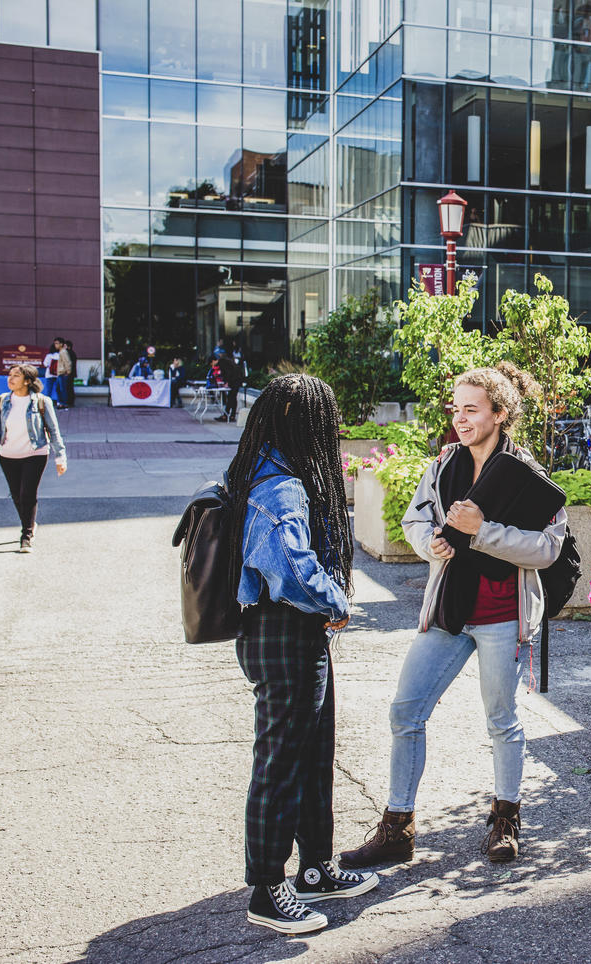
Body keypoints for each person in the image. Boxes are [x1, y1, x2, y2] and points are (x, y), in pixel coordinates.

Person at [339, 364, 567, 870]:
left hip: (502, 615)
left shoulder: (526, 473)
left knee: (501, 720)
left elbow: (548, 549)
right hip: (448, 612)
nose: (461, 420)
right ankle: (398, 828)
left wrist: (483, 531)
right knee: (405, 712)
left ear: (499, 414)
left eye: (472, 410)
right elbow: (415, 518)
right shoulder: (444, 464)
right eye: (456, 409)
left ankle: (505, 820)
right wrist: (432, 544)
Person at [225, 373, 378, 934]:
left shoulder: (263, 467)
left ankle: (316, 867)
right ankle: (267, 889)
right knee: (282, 763)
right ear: (303, 421)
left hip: (294, 634)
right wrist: (334, 599)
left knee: (313, 756)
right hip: (283, 631)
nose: (331, 433)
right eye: (325, 421)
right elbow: (291, 569)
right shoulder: (280, 485)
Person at [0, 364, 67, 552]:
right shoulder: (2, 401)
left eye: (16, 376)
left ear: (27, 381)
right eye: (9, 375)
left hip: (35, 454)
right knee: (17, 495)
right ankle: (31, 523)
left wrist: (60, 457)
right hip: (8, 455)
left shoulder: (41, 402)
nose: (10, 379)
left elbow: (53, 431)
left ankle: (26, 535)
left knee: (27, 494)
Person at [57, 338, 77, 409]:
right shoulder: (70, 352)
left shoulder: (67, 352)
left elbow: (68, 363)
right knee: (67, 388)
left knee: (65, 388)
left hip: (66, 373)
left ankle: (66, 403)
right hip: (69, 373)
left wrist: (68, 372)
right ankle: (68, 402)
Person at [42, 342, 62, 408]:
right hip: (58, 374)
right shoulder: (60, 355)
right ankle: (59, 402)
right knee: (58, 390)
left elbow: (45, 364)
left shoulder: (49, 356)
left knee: (48, 390)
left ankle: (47, 404)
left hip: (49, 375)